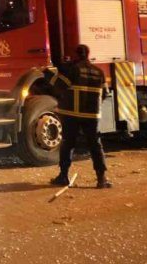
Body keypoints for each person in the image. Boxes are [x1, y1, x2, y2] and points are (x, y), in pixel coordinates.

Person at [44, 44, 112, 189]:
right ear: (88, 54)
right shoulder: (99, 72)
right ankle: (102, 179)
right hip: (92, 115)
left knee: (68, 144)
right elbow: (105, 94)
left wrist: (47, 74)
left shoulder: (73, 70)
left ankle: (63, 176)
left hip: (72, 114)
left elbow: (61, 85)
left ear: (76, 54)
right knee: (95, 145)